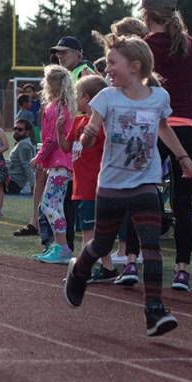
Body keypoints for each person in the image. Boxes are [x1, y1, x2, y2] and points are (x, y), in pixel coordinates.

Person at [63, 32, 192, 337]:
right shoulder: (106, 97)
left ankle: (154, 310)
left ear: (135, 66)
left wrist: (182, 157)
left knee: (151, 247)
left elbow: (163, 128)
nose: (107, 69)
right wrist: (89, 136)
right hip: (111, 184)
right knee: (101, 244)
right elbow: (91, 131)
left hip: (145, 182)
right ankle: (79, 270)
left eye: (113, 63)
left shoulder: (159, 98)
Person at [120, 0, 192, 292]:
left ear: (146, 14)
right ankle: (182, 270)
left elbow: (133, 90)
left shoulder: (142, 46)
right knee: (183, 204)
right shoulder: (191, 45)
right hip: (187, 128)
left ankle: (132, 262)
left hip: (150, 127)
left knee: (137, 196)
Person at [57, 75, 115, 282]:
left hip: (93, 185)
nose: (75, 99)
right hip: (80, 185)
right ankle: (108, 268)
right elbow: (66, 147)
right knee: (92, 231)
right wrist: (59, 131)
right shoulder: (78, 121)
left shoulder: (100, 125)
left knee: (89, 232)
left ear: (88, 98)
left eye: (78, 95)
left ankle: (83, 271)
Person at [30, 65, 75, 263]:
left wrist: (38, 158)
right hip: (64, 164)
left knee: (48, 205)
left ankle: (62, 247)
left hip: (59, 165)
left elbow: (50, 139)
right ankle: (60, 246)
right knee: (56, 206)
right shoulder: (66, 106)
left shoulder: (54, 108)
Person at [5, 119, 37, 198]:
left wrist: (33, 186)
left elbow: (27, 166)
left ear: (27, 132)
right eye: (15, 128)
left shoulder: (24, 146)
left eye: (20, 129)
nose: (16, 131)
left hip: (13, 183)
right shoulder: (21, 143)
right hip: (10, 180)